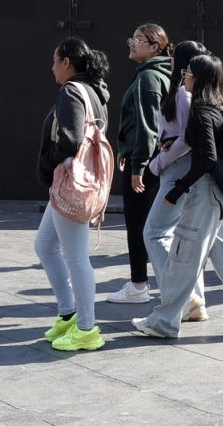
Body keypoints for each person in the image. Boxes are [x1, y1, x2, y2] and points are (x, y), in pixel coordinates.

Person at [133, 54, 223, 340]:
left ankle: (163, 322)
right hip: (221, 197)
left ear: (196, 78)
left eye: (187, 73)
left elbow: (207, 158)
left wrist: (177, 190)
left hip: (204, 195)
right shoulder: (221, 108)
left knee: (183, 258)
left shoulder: (200, 110)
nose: (184, 76)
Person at [35, 37, 112, 351]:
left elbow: (70, 140)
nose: (52, 67)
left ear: (67, 62)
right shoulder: (95, 90)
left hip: (72, 183)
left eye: (55, 61)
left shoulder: (70, 91)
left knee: (76, 257)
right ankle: (68, 313)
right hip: (78, 183)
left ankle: (86, 328)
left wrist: (48, 160)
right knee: (44, 246)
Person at [141, 39, 210, 322]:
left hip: (176, 171)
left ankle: (178, 296)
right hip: (181, 171)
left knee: (154, 232)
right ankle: (194, 300)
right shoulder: (189, 92)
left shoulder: (183, 94)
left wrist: (156, 164)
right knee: (184, 240)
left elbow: (185, 140)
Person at [104, 23, 172, 304]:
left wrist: (138, 167)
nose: (131, 42)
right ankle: (171, 286)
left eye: (139, 39)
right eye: (132, 37)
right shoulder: (159, 74)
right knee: (154, 227)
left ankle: (139, 286)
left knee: (139, 225)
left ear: (155, 47)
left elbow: (147, 126)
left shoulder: (149, 79)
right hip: (150, 159)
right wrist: (124, 147)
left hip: (145, 162)